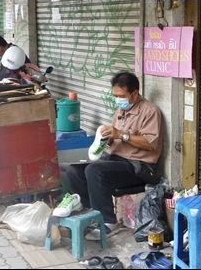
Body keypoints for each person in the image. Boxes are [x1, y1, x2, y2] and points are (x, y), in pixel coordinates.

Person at [65, 71, 163, 240]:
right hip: (116, 161)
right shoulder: (120, 110)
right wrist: (107, 140)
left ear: (135, 93)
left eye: (121, 95)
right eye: (115, 95)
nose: (118, 99)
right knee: (74, 171)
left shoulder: (150, 111)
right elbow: (116, 137)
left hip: (139, 167)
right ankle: (92, 214)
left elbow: (150, 144)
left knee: (94, 171)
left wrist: (121, 135)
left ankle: (108, 222)